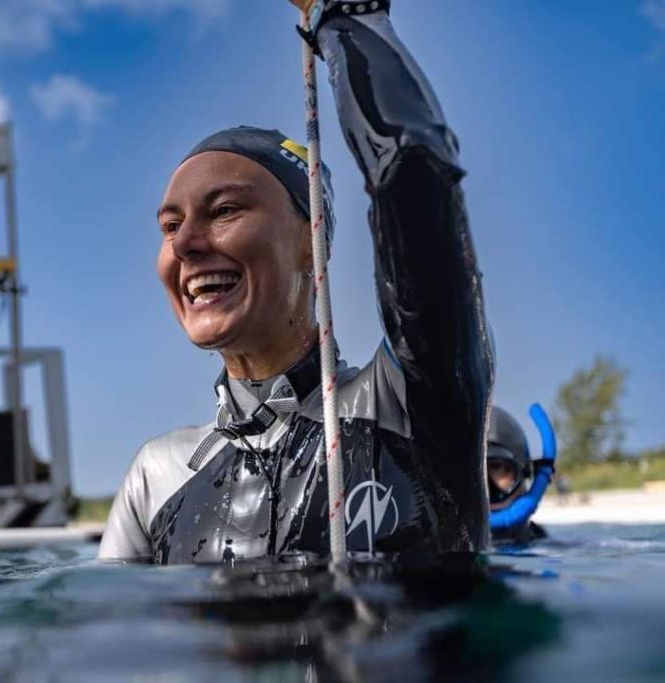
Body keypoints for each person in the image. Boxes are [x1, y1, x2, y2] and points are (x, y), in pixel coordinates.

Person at [99, 0, 494, 563]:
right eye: (170, 225)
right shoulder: (156, 474)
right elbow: (113, 644)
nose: (184, 244)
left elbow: (415, 175)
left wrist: (346, 16)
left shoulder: (410, 403)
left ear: (313, 241)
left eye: (224, 210)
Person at [488, 404, 557, 544]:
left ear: (525, 473)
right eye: (471, 476)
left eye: (496, 466)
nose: (485, 487)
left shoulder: (546, 547)